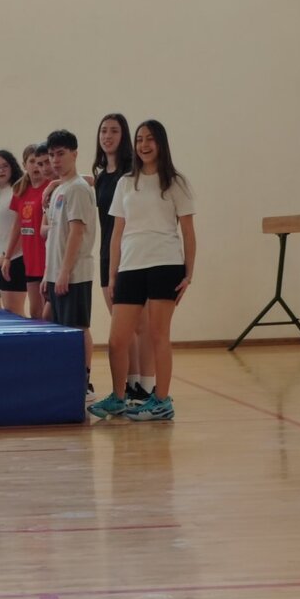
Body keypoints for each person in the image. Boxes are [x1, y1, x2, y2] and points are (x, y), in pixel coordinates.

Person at [88, 119, 195, 421]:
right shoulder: (125, 182)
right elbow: (117, 233)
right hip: (130, 267)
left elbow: (188, 232)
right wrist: (112, 274)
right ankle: (118, 397)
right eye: (139, 140)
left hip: (165, 265)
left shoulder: (176, 182)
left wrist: (189, 274)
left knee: (159, 335)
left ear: (160, 143)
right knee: (117, 340)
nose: (144, 145)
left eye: (150, 139)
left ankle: (161, 400)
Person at [92, 113, 153, 402]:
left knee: (139, 325)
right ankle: (130, 383)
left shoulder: (132, 174)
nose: (108, 136)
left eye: (114, 131)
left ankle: (145, 386)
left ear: (124, 136)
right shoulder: (102, 177)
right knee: (121, 328)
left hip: (132, 257)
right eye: (104, 130)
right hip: (107, 255)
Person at [40, 130, 97, 400]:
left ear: (74, 154)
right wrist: (48, 274)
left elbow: (76, 232)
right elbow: (54, 236)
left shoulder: (78, 189)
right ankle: (63, 379)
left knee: (77, 328)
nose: (55, 160)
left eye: (60, 154)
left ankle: (84, 382)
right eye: (52, 155)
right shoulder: (59, 189)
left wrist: (64, 272)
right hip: (55, 273)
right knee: (50, 323)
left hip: (74, 274)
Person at [2, 143, 49, 318]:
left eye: (40, 163)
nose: (36, 166)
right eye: (32, 162)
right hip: (31, 259)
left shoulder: (51, 187)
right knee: (35, 312)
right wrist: (7, 256)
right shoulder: (20, 191)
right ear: (24, 165)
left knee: (48, 312)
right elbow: (17, 225)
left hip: (47, 257)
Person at [0, 149, 26, 315]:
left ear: (12, 167)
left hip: (14, 258)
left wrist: (8, 256)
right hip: (1, 260)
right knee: (9, 312)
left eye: (5, 166)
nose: (1, 170)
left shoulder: (16, 191)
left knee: (15, 313)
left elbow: (22, 226)